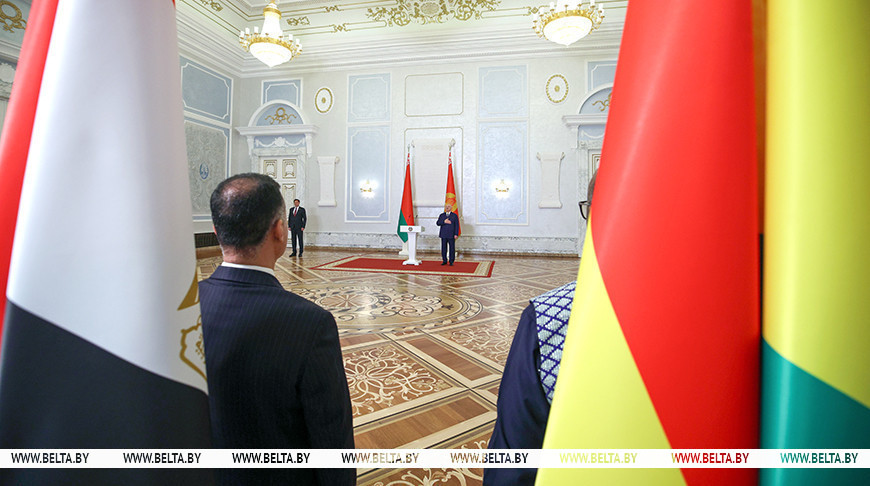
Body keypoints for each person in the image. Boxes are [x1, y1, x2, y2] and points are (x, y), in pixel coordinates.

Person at [200, 173, 355, 486]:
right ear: (279, 231)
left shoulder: (182, 308)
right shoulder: (311, 323)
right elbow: (331, 440)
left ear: (216, 231)